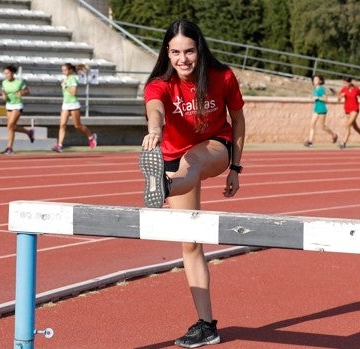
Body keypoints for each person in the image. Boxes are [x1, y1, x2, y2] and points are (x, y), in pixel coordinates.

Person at [138, 19, 245, 348]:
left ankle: (166, 185)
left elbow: (238, 119)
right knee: (191, 244)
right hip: (172, 155)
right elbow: (154, 108)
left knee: (193, 163)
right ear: (166, 53)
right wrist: (155, 129)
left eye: (189, 52)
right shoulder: (159, 83)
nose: (182, 60)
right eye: (175, 53)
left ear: (200, 50)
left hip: (215, 147)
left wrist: (236, 168)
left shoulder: (222, 76)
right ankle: (206, 325)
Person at [52, 63, 97, 153]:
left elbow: (73, 92)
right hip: (65, 104)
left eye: (64, 70)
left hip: (73, 104)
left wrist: (65, 87)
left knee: (77, 125)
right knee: (62, 125)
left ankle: (91, 136)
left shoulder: (73, 79)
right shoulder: (66, 79)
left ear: (70, 70)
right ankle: (59, 145)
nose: (63, 72)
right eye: (62, 70)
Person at [1, 64, 34, 155]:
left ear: (12, 73)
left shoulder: (19, 82)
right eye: (5, 73)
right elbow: (3, 91)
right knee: (12, 127)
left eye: (8, 73)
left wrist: (21, 93)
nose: (6, 75)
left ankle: (10, 148)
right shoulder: (4, 82)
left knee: (10, 126)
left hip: (17, 105)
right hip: (9, 105)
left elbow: (27, 91)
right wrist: (3, 95)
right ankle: (28, 132)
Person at [303, 75, 338, 147]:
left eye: (316, 79)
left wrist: (317, 97)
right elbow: (315, 97)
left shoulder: (321, 89)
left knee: (322, 127)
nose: (314, 81)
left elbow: (326, 99)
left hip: (322, 109)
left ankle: (334, 135)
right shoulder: (315, 89)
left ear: (320, 81)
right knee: (312, 124)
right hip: (316, 109)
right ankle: (310, 141)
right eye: (314, 79)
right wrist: (312, 97)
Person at [337, 77, 360, 149]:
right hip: (347, 109)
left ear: (350, 82)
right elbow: (338, 99)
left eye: (346, 83)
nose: (345, 84)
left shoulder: (356, 89)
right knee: (355, 126)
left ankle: (343, 143)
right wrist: (340, 97)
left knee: (347, 124)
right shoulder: (344, 89)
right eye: (344, 83)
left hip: (355, 109)